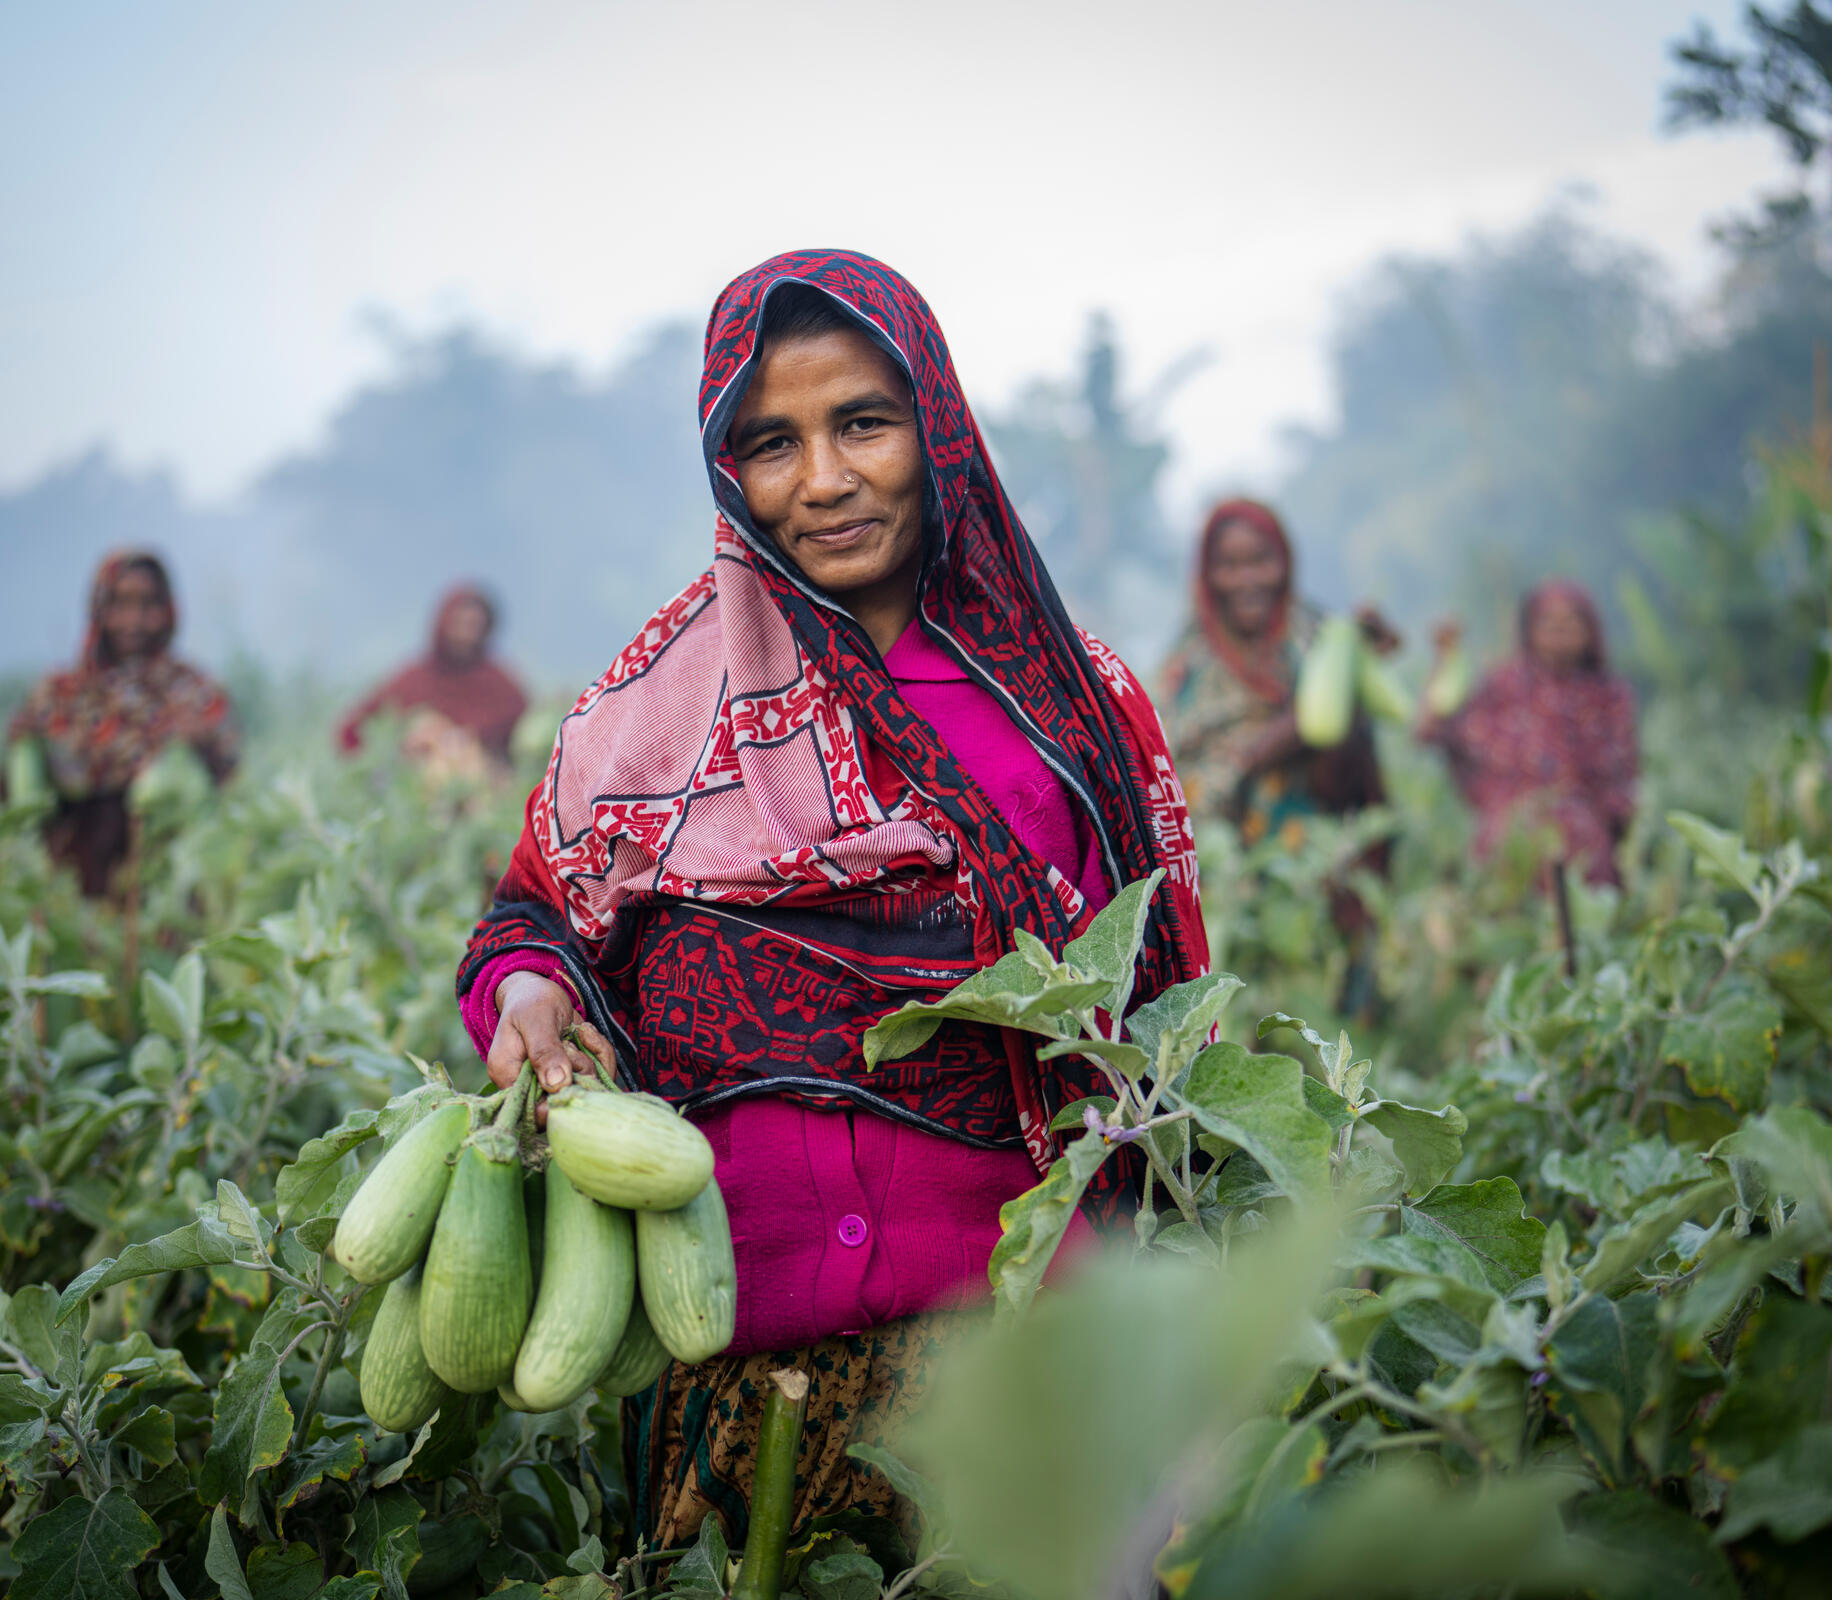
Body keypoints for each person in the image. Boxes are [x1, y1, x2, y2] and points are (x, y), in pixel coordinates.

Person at [457, 251, 1208, 1550]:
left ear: (938, 425)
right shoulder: (652, 711)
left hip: (1018, 1374)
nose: (824, 478)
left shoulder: (1071, 707)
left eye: (863, 421)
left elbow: (1163, 1023)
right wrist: (525, 992)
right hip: (733, 1378)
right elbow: (534, 918)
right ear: (724, 467)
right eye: (771, 440)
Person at [1154, 499, 1394, 848]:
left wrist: (1365, 642)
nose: (1247, 579)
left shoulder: (1314, 633)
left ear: (1284, 562)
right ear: (1208, 574)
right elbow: (1177, 771)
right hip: (1225, 841)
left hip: (1319, 826)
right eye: (1230, 565)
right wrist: (1257, 751)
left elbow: (1364, 691)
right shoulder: (1189, 661)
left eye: (1260, 561)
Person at [4, 550, 238, 896]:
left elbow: (225, 768)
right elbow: (23, 789)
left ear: (168, 610)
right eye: (120, 604)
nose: (134, 620)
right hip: (71, 879)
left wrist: (197, 747)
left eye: (149, 605)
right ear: (99, 608)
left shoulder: (193, 690)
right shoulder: (60, 693)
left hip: (164, 881)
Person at [1421, 580, 1638, 887]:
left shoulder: (1610, 697)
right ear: (1530, 629)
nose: (1559, 628)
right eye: (1548, 620)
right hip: (1507, 850)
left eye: (1571, 619)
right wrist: (1445, 660)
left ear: (1590, 629)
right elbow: (1440, 730)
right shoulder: (1502, 686)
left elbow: (1624, 785)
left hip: (1586, 858)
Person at [336, 584, 528, 780]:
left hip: (483, 788)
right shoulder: (413, 679)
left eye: (474, 626)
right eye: (459, 624)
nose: (465, 635)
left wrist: (466, 741)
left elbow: (526, 741)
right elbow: (355, 728)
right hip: (413, 787)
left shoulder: (502, 687)